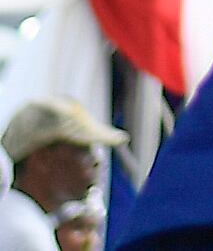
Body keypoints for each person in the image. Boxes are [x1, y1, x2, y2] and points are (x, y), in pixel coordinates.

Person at [0, 100, 123, 251]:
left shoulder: (13, 213)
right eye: (83, 150)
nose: (96, 161)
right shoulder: (29, 234)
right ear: (43, 159)